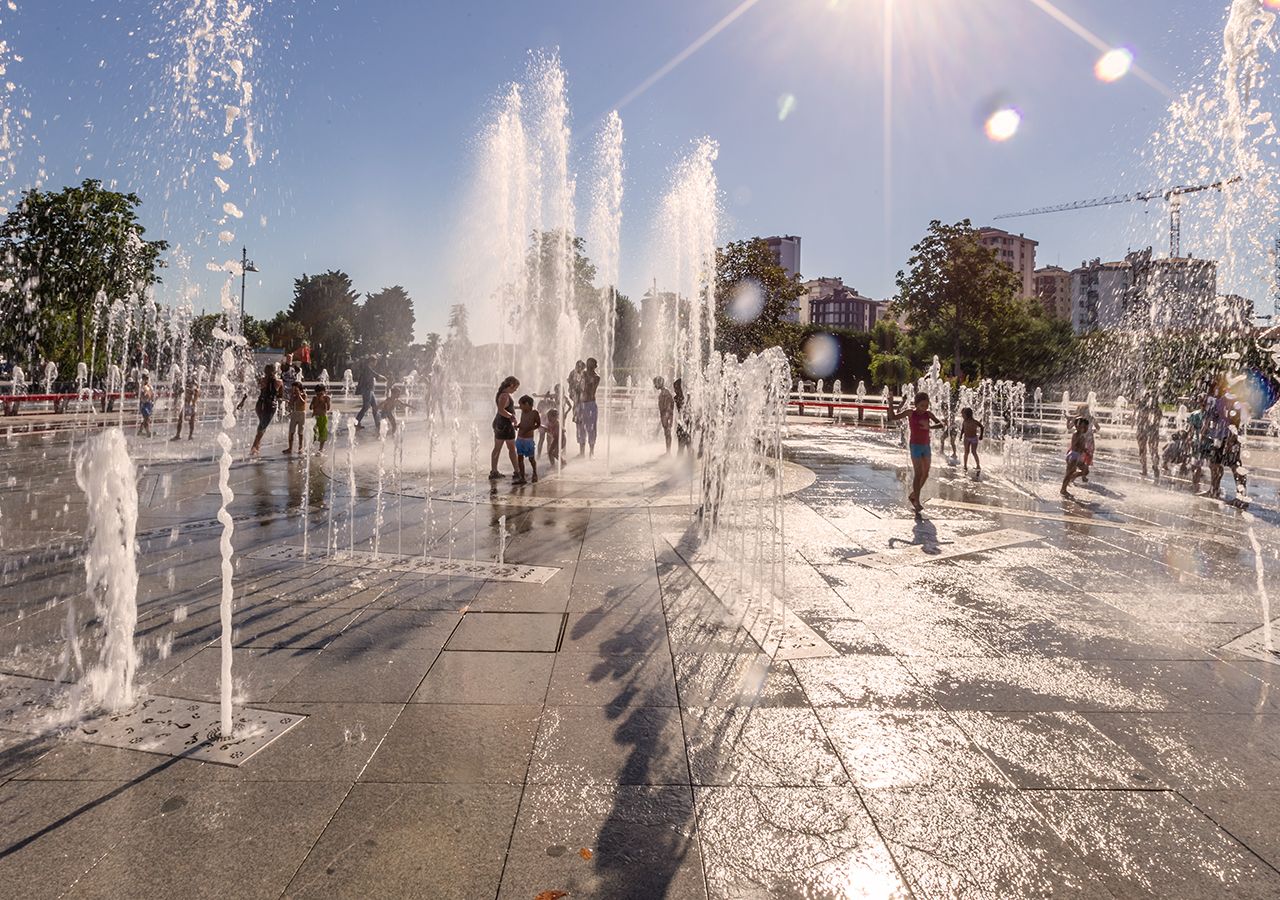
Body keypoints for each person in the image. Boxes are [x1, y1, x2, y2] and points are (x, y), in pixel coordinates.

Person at [887, 391, 943, 512]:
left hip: (926, 446)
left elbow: (940, 424)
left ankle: (913, 495)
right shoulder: (910, 413)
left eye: (926, 405)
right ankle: (917, 501)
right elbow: (893, 417)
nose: (924, 408)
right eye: (922, 405)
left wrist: (930, 427)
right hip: (915, 446)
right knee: (918, 473)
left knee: (925, 474)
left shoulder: (928, 414)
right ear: (916, 404)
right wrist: (890, 403)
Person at [489, 375, 520, 480]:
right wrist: (512, 417)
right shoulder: (505, 395)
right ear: (511, 385)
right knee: (511, 449)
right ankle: (517, 471)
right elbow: (501, 410)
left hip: (499, 423)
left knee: (497, 448)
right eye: (515, 387)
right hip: (505, 425)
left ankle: (494, 471)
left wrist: (517, 408)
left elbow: (505, 408)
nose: (516, 390)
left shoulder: (502, 394)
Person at [250, 364, 283, 457]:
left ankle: (257, 446)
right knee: (263, 426)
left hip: (260, 404)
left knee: (261, 424)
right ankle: (253, 447)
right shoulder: (279, 382)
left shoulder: (261, 380)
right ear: (275, 371)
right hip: (270, 406)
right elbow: (280, 395)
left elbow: (253, 390)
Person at [576, 358, 601, 457]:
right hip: (582, 404)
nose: (588, 367)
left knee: (591, 428)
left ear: (594, 366)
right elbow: (578, 387)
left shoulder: (596, 377)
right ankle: (582, 452)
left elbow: (588, 387)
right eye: (587, 364)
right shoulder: (583, 374)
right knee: (581, 427)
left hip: (590, 404)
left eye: (590, 365)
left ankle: (591, 452)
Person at [514, 394, 541, 484]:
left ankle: (535, 473)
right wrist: (518, 425)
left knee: (531, 459)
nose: (520, 407)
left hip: (528, 440)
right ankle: (522, 477)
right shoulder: (523, 413)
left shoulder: (534, 413)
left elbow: (538, 424)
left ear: (527, 404)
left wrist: (530, 428)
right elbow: (522, 422)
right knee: (520, 458)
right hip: (520, 438)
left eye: (521, 405)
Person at [1061, 417, 1091, 496]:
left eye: (1086, 427)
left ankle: (1073, 476)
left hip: (1077, 456)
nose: (1085, 429)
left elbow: (1081, 446)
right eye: (1082, 427)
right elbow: (1075, 445)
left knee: (1085, 470)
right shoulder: (1076, 434)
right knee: (1068, 473)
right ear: (1077, 427)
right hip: (1073, 456)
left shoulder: (1082, 435)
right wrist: (1081, 448)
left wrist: (1085, 450)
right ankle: (1063, 490)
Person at [1135, 391, 1161, 481]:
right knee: (1153, 450)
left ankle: (1145, 468)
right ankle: (1154, 467)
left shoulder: (1141, 408)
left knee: (1143, 450)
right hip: (1152, 431)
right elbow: (1157, 421)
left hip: (1143, 431)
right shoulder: (1157, 410)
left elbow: (1137, 419)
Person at [354, 357, 381, 430]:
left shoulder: (368, 368)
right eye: (375, 361)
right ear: (371, 361)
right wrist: (383, 377)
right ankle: (356, 422)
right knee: (366, 407)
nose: (376, 363)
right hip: (367, 390)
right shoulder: (367, 368)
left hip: (370, 390)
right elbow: (376, 375)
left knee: (375, 406)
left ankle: (378, 424)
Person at [171, 377, 199, 441]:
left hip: (190, 406)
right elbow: (179, 392)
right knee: (186, 421)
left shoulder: (194, 390)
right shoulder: (190, 390)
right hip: (190, 406)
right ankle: (187, 435)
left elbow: (192, 396)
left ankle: (183, 435)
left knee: (187, 421)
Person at [284, 380, 308, 454]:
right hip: (294, 413)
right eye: (293, 389)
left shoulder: (304, 394)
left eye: (295, 389)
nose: (294, 390)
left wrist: (299, 395)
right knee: (291, 431)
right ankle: (290, 448)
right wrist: (291, 400)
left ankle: (300, 447)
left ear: (299, 388)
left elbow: (303, 402)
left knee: (300, 432)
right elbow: (290, 405)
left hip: (301, 414)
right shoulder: (293, 396)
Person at [960, 407, 984, 473]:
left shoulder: (975, 422)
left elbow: (982, 427)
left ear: (967, 414)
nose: (962, 416)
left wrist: (981, 435)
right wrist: (961, 435)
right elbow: (963, 429)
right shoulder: (964, 421)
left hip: (974, 438)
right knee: (966, 452)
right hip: (966, 438)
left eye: (963, 414)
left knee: (974, 452)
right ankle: (965, 466)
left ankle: (978, 465)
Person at [654, 376, 674, 453]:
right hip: (665, 415)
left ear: (660, 383)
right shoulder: (663, 392)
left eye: (655, 383)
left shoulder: (665, 393)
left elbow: (668, 406)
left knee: (668, 433)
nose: (655, 385)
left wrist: (667, 417)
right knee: (666, 433)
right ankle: (668, 451)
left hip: (667, 415)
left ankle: (668, 452)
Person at [311, 382, 332, 453]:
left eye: (321, 393)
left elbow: (328, 408)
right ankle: (310, 447)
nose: (319, 395)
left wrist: (324, 401)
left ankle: (320, 449)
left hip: (323, 417)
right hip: (314, 417)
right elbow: (311, 407)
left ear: (324, 392)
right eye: (317, 393)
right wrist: (316, 401)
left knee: (323, 433)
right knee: (313, 432)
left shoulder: (326, 398)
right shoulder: (314, 398)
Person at [673, 378, 691, 455]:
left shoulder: (679, 398)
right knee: (684, 442)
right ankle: (684, 460)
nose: (675, 390)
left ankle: (686, 460)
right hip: (682, 422)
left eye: (676, 388)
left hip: (685, 422)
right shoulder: (678, 398)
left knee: (686, 442)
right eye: (675, 388)